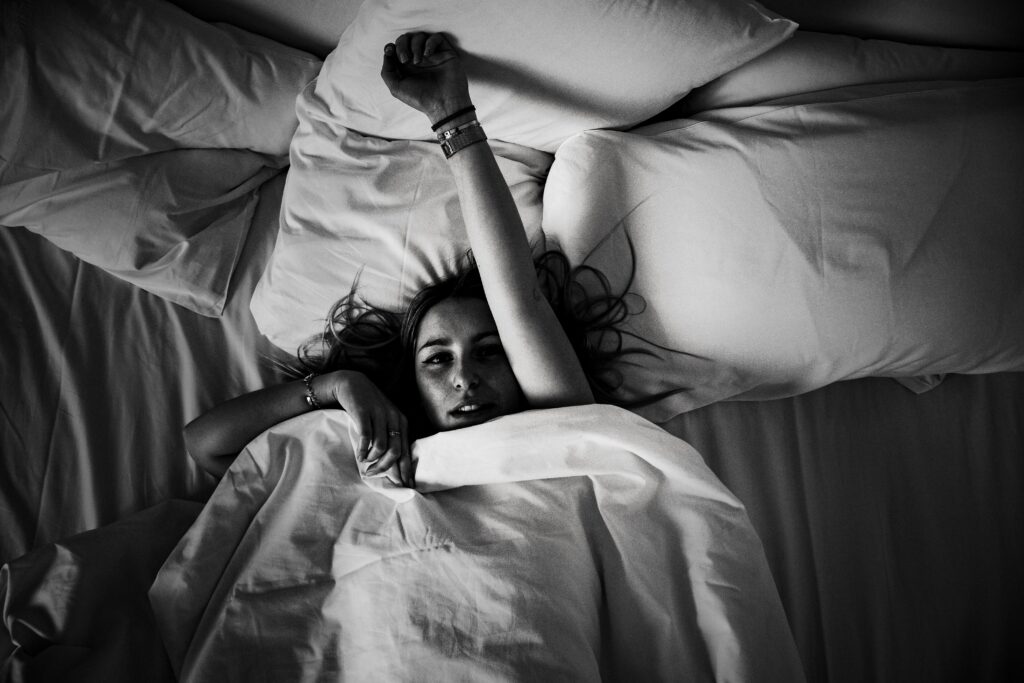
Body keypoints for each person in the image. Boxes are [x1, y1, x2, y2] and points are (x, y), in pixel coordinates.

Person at [184, 32, 645, 487]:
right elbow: (204, 444)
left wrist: (451, 113)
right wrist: (338, 386)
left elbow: (518, 299)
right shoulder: (375, 450)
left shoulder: (560, 423)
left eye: (490, 351)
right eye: (438, 360)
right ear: (413, 384)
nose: (465, 378)